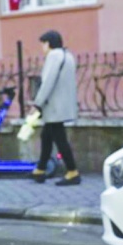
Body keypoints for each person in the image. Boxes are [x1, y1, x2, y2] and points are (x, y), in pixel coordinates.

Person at [30, 30, 81, 186]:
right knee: (46, 136)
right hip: (64, 104)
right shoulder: (68, 55)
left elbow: (48, 82)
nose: (42, 48)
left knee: (60, 139)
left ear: (48, 43)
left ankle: (72, 172)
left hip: (53, 106)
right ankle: (40, 169)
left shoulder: (53, 56)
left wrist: (37, 103)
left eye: (43, 44)